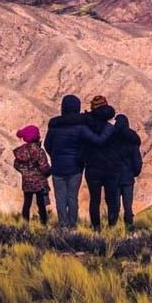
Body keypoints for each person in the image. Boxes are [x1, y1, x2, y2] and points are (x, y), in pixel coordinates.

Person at [44, 94, 113, 228]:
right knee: (72, 197)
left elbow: (47, 145)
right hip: (75, 167)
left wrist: (56, 156)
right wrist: (108, 130)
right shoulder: (81, 128)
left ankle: (63, 225)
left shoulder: (54, 127)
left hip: (57, 168)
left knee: (60, 198)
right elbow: (97, 141)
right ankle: (73, 225)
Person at [83, 95, 122, 231]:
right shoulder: (111, 128)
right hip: (111, 167)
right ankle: (112, 227)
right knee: (111, 199)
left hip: (93, 167)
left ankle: (96, 228)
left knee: (95, 200)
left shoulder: (86, 127)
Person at [13, 124, 51, 225]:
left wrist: (25, 172)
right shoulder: (39, 151)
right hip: (39, 182)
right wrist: (49, 172)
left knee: (27, 204)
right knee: (41, 204)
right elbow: (44, 167)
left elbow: (16, 165)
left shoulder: (22, 151)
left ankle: (25, 225)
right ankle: (43, 225)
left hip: (26, 182)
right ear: (35, 136)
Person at [112, 113, 143, 228]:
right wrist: (135, 172)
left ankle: (112, 228)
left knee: (114, 206)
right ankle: (129, 227)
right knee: (128, 207)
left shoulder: (111, 139)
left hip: (114, 177)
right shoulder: (132, 140)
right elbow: (137, 160)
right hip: (128, 177)